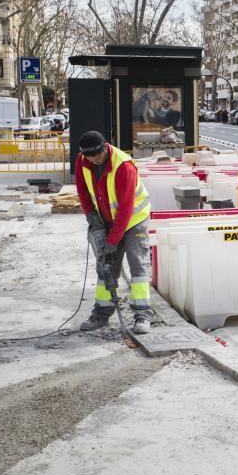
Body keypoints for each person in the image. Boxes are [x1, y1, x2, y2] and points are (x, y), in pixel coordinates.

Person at [75, 131, 153, 334]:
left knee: (137, 266)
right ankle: (102, 313)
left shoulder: (123, 166)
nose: (93, 159)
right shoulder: (83, 160)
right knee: (106, 267)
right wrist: (92, 218)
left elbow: (126, 208)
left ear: (104, 148)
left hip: (134, 219)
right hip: (106, 219)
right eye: (89, 156)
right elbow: (83, 191)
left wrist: (112, 241)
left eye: (96, 155)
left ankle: (142, 315)